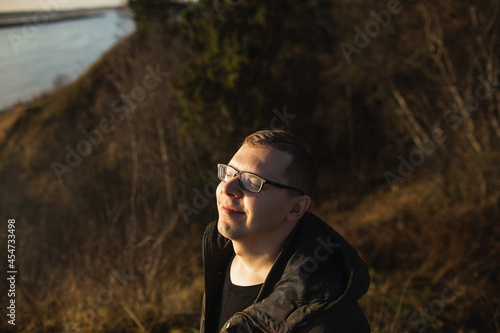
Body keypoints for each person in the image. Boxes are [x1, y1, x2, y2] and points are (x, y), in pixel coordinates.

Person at [201, 129, 370, 332]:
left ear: (296, 208)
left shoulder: (328, 322)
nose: (227, 187)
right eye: (229, 172)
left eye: (252, 182)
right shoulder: (220, 259)